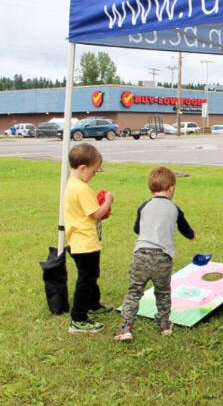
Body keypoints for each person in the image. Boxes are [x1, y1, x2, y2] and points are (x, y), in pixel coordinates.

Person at [114, 166, 196, 341]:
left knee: (134, 292)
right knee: (163, 292)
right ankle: (165, 325)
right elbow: (185, 229)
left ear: (151, 188)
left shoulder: (144, 206)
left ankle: (126, 327)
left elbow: (137, 228)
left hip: (141, 255)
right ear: (172, 188)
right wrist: (192, 235)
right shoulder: (175, 209)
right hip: (163, 257)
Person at [63, 142, 114, 334]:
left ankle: (93, 303)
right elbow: (96, 214)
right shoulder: (81, 189)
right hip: (85, 243)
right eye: (94, 171)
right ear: (83, 168)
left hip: (78, 240)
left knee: (91, 275)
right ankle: (78, 318)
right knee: (86, 278)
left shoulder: (73, 183)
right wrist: (108, 201)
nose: (94, 175)